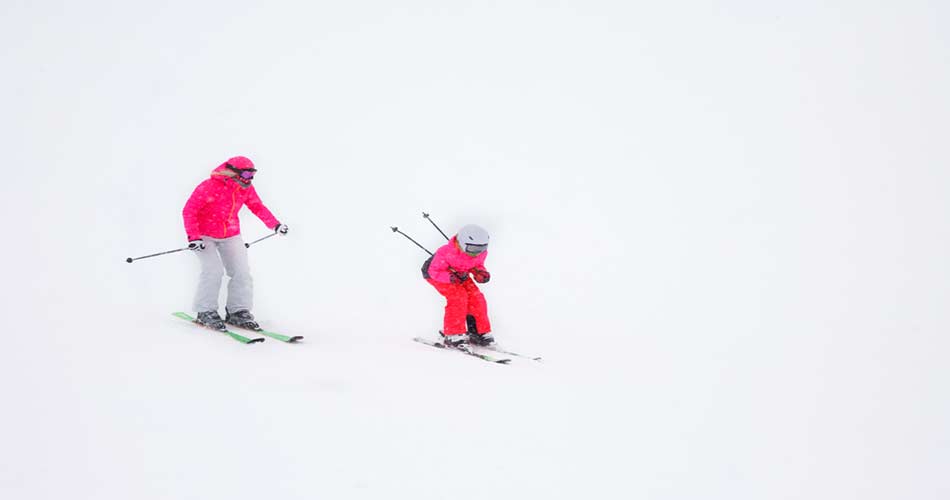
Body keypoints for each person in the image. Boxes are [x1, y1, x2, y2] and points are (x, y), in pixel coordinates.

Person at [182, 156, 288, 331]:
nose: (250, 178)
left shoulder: (244, 188)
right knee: (213, 271)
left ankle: (238, 312)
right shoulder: (209, 186)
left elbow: (257, 206)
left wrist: (275, 225)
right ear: (233, 172)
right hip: (204, 235)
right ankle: (205, 311)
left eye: (253, 174)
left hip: (231, 234)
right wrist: (194, 237)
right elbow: (189, 210)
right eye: (247, 173)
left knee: (241, 272)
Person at [422, 224, 494, 348]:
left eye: (481, 249)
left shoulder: (480, 253)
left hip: (461, 274)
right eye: (472, 248)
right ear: (461, 243)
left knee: (476, 298)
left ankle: (477, 332)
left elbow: (476, 264)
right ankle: (453, 334)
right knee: (458, 296)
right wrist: (451, 277)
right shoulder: (445, 252)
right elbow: (434, 271)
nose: (476, 253)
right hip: (438, 275)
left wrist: (480, 273)